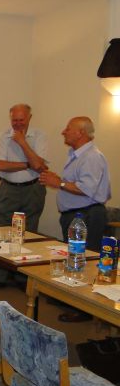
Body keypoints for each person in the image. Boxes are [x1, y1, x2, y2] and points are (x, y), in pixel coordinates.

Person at [40, 116, 111, 322]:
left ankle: (86, 309)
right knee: (75, 259)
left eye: (68, 128)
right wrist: (59, 181)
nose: (63, 131)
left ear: (81, 132)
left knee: (85, 260)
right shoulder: (76, 155)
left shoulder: (92, 157)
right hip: (76, 216)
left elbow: (87, 188)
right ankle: (74, 299)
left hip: (88, 215)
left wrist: (59, 183)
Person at [0, 103, 48, 232]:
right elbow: (1, 165)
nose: (18, 123)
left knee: (30, 231)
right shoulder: (3, 136)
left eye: (21, 120)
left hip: (33, 189)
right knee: (6, 230)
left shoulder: (40, 135)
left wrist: (22, 142)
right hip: (8, 189)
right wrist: (28, 164)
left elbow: (39, 166)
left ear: (29, 118)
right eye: (14, 120)